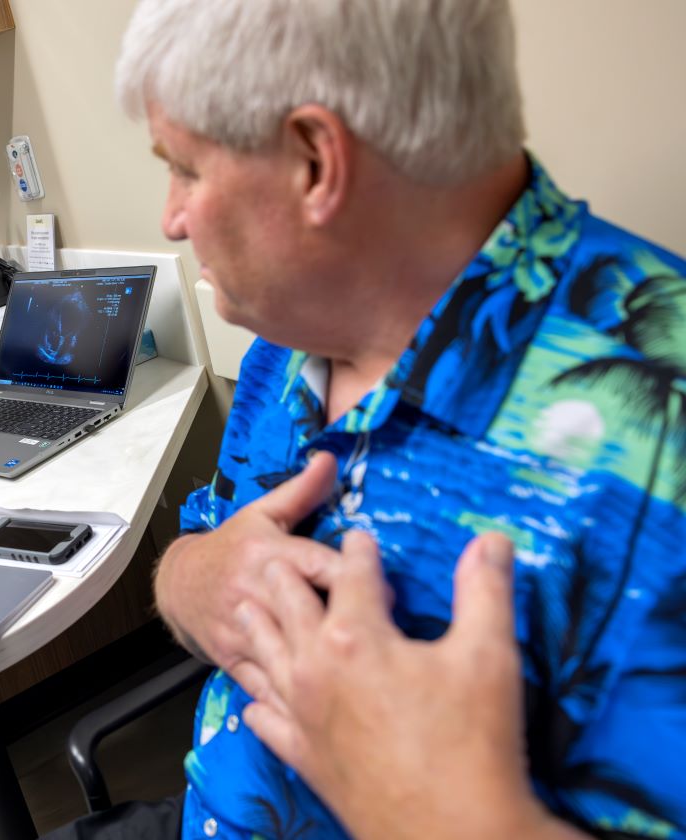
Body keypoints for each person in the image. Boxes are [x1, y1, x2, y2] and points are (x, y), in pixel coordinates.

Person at [45, 1, 686, 838]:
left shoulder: (660, 441)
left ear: (315, 160)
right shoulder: (294, 320)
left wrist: (455, 815)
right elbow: (207, 539)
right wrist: (191, 579)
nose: (172, 216)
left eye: (186, 170)